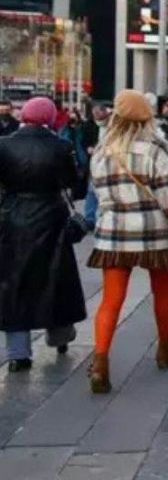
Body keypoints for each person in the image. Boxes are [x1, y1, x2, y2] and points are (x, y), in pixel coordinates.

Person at [86, 90, 168, 393]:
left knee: (111, 300)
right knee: (161, 290)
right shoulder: (156, 151)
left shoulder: (102, 151)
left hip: (114, 235)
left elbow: (99, 195)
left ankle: (100, 363)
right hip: (154, 234)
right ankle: (165, 351)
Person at [0, 97, 86, 371]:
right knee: (56, 279)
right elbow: (74, 183)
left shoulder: (4, 145)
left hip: (13, 218)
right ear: (49, 117)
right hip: (52, 218)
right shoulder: (61, 146)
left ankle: (18, 354)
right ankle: (59, 336)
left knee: (14, 284)